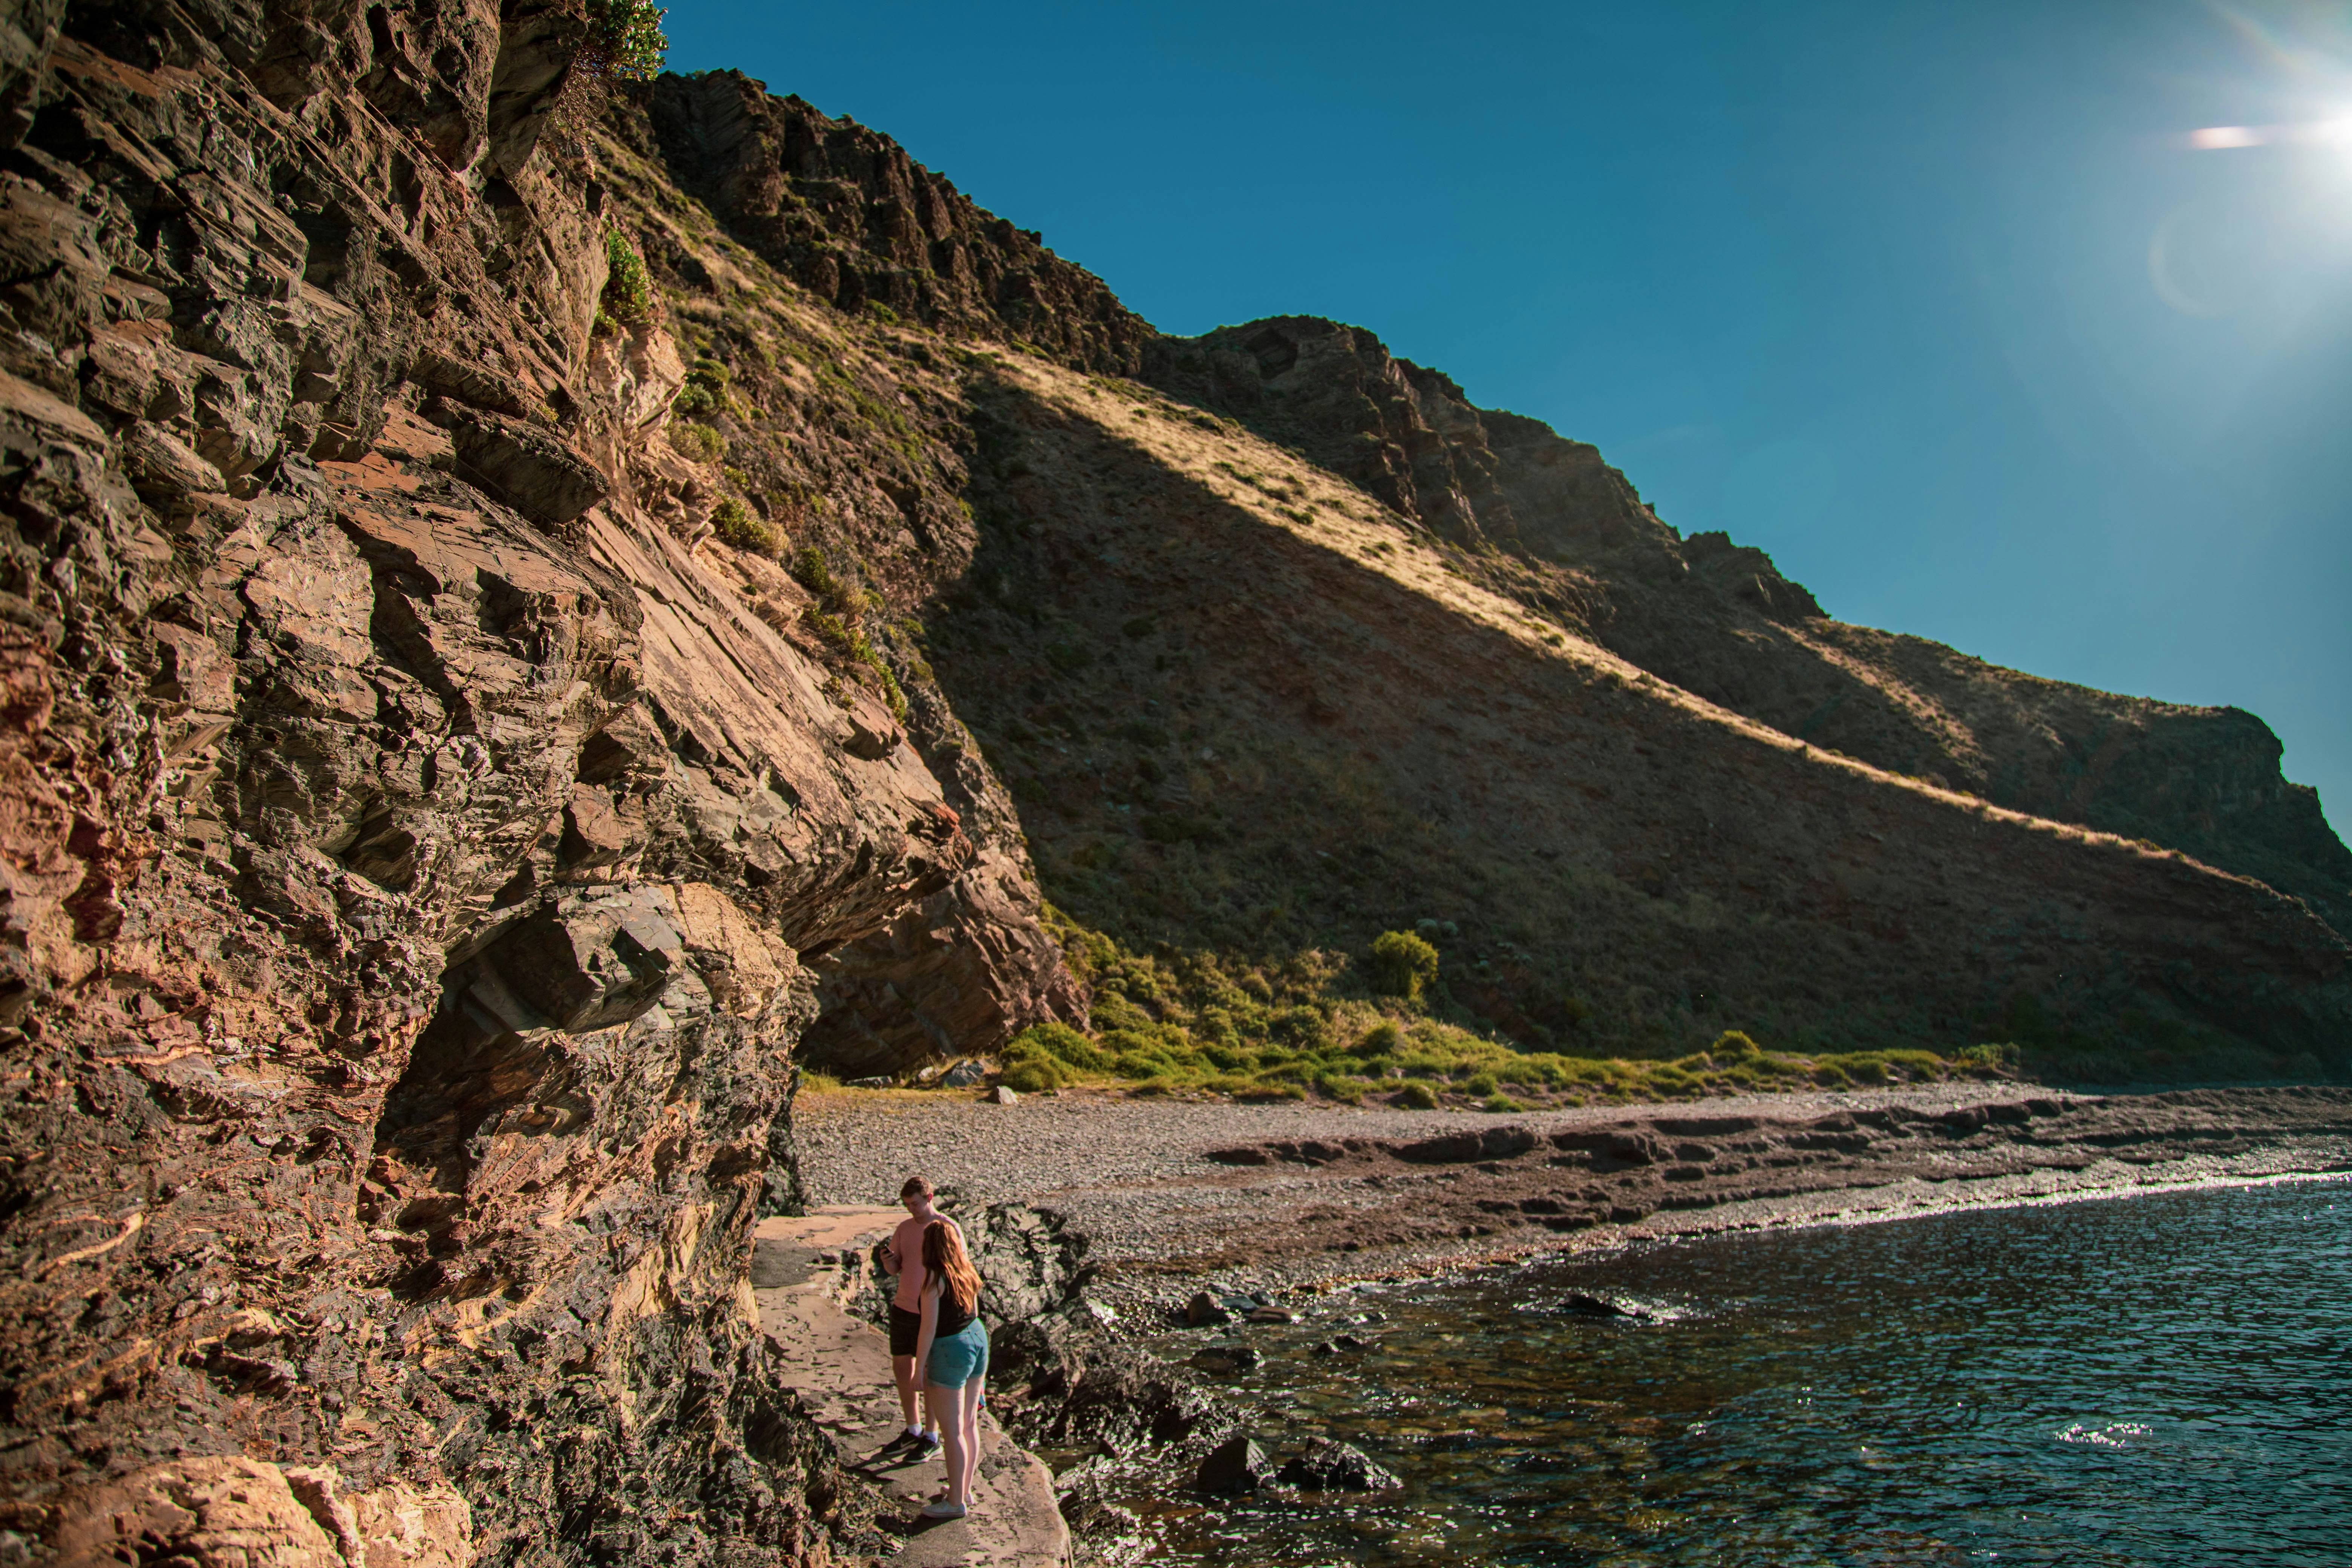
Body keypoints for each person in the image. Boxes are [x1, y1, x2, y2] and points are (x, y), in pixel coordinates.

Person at [910, 1218, 988, 1520]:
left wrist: (919, 1370)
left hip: (950, 1349)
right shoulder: (966, 1271)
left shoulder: (933, 1279)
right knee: (969, 1424)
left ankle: (955, 1503)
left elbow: (927, 1330)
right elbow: (976, 1312)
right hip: (977, 1338)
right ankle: (964, 1489)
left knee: (952, 1431)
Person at [876, 1177, 959, 1460]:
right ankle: (913, 1428)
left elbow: (960, 1270)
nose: (911, 1210)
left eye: (915, 1204)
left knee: (928, 1374)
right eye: (907, 1205)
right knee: (902, 1367)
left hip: (932, 1311)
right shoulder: (904, 1228)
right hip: (903, 1307)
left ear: (930, 1197)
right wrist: (888, 1261)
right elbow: (896, 1268)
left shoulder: (947, 1228)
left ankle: (931, 1435)